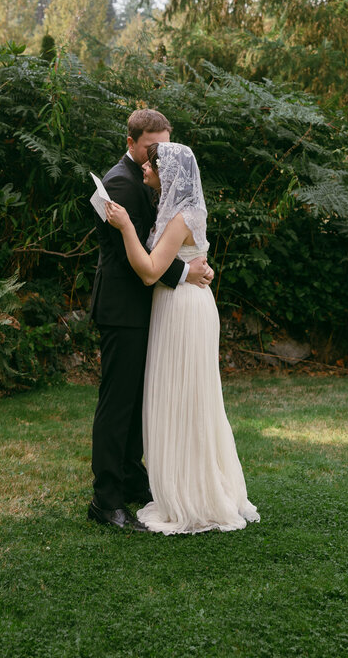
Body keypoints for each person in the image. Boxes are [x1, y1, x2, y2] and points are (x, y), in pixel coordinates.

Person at [105, 140, 259, 534]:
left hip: (184, 310)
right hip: (178, 304)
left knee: (187, 399)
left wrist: (125, 227)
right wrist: (191, 269)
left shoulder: (181, 217)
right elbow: (182, 262)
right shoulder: (173, 210)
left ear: (168, 174)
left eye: (151, 167)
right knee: (181, 396)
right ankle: (179, 482)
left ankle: (194, 493)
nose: (145, 170)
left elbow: (150, 271)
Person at [87, 109, 214, 531]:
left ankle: (130, 477)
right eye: (148, 149)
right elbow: (139, 257)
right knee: (117, 404)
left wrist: (196, 262)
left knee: (139, 403)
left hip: (149, 309)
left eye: (160, 150)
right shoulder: (122, 182)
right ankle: (105, 500)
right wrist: (188, 271)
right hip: (125, 310)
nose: (152, 159)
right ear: (131, 142)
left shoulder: (155, 182)